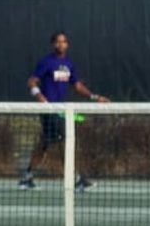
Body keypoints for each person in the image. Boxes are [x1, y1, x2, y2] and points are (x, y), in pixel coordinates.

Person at [19, 30, 109, 190]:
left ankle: (27, 177)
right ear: (53, 44)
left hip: (61, 110)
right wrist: (40, 97)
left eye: (64, 41)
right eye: (58, 42)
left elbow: (77, 85)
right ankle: (78, 179)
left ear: (67, 44)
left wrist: (95, 97)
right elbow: (31, 82)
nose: (61, 44)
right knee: (66, 140)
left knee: (44, 144)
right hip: (49, 111)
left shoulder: (68, 64)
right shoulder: (46, 62)